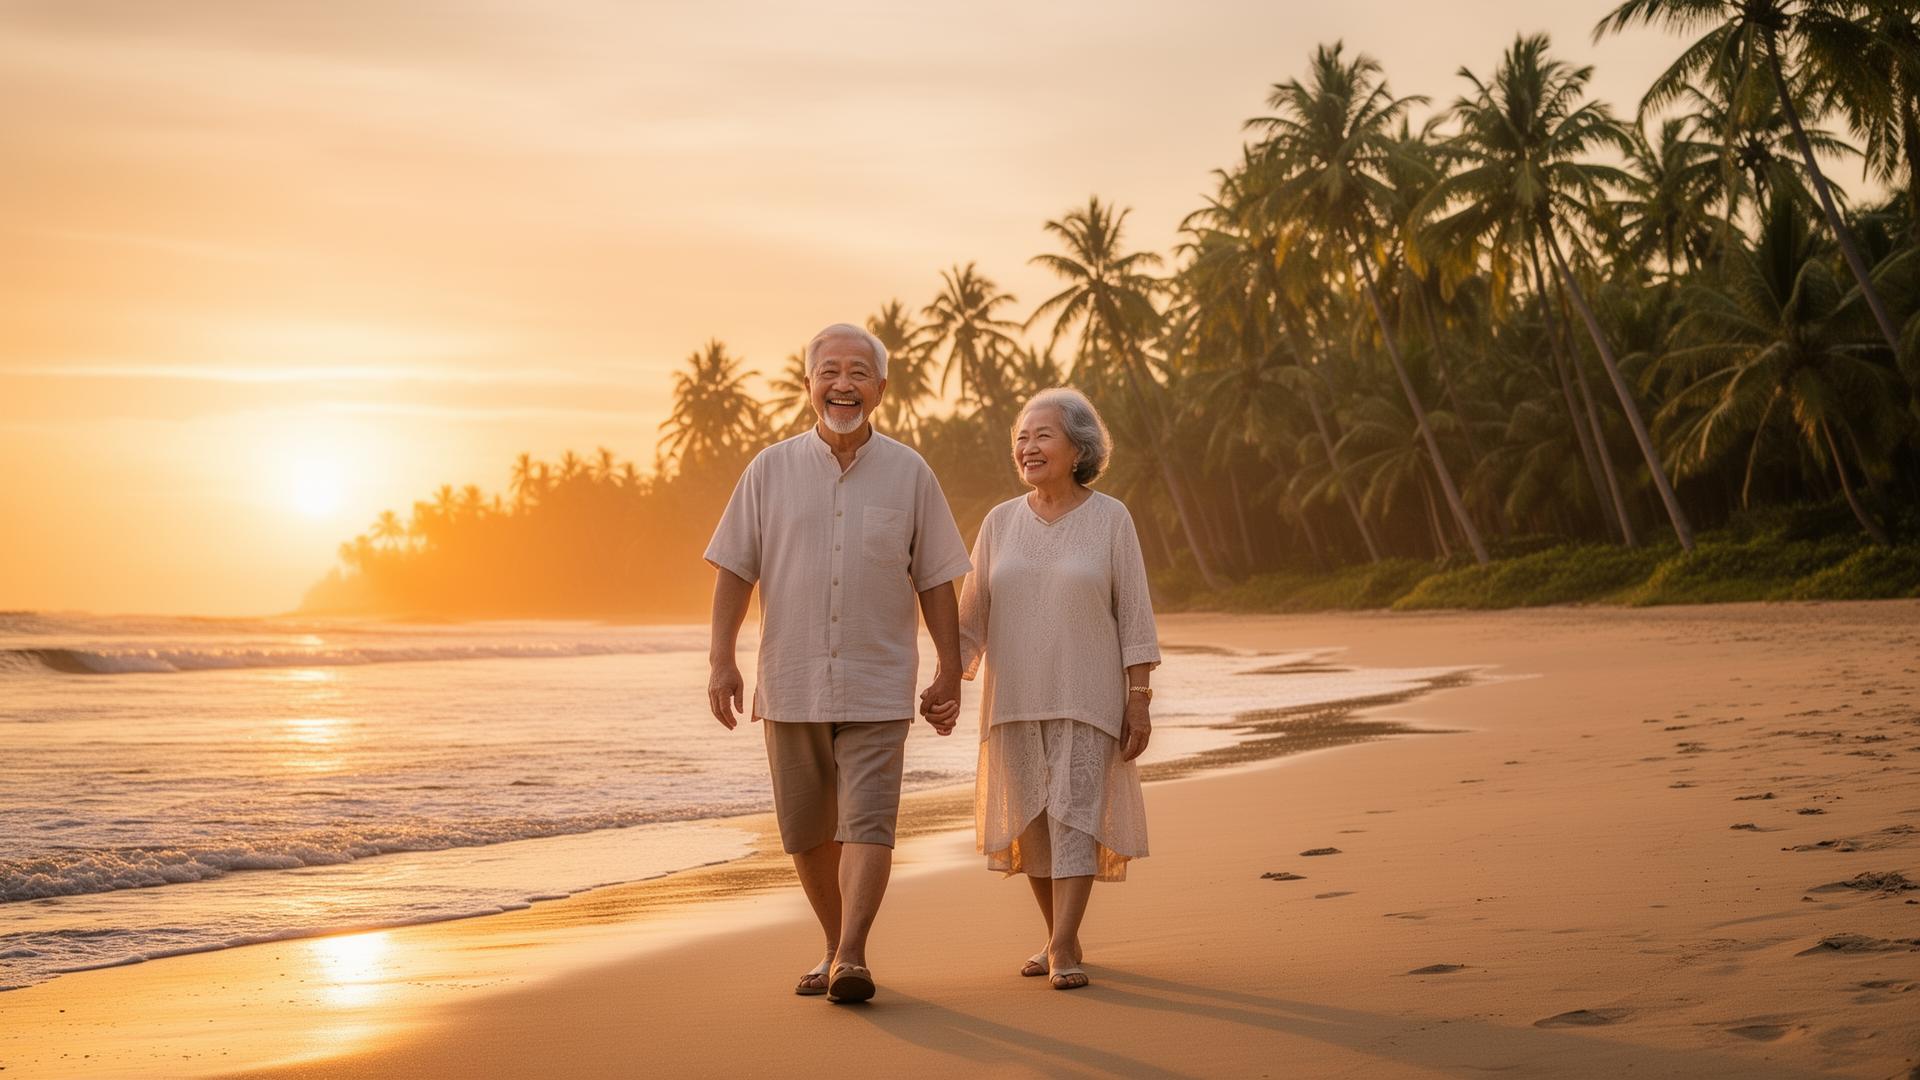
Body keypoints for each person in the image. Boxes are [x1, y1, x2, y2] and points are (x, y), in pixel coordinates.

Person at [704, 322, 971, 1004]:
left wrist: (947, 668)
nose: (842, 383)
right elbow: (735, 569)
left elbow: (936, 578)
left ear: (881, 388)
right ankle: (833, 945)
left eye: (858, 372)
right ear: (808, 386)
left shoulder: (910, 472)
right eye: (830, 371)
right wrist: (721, 662)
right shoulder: (768, 469)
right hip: (790, 681)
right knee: (806, 830)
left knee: (869, 823)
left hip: (879, 682)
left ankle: (852, 955)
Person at [944, 386, 1159, 991]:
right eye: (1021, 437)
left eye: (1042, 435)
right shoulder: (998, 522)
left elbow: (1135, 614)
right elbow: (971, 618)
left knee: (1075, 818)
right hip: (1013, 698)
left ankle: (1063, 945)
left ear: (1078, 448)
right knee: (1033, 823)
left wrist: (1137, 698)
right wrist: (946, 678)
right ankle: (1058, 933)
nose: (1027, 446)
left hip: (1087, 695)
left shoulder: (1111, 518)